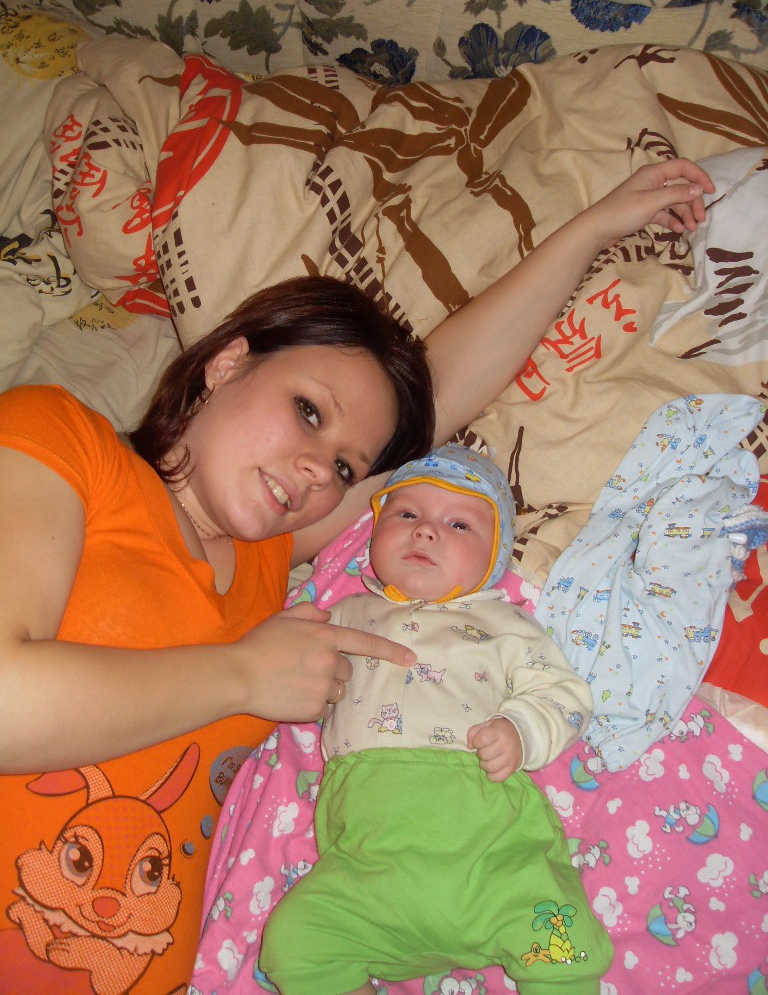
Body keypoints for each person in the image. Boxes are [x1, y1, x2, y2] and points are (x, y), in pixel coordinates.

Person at [0, 158, 712, 995]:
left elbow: (437, 402)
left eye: (345, 467)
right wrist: (242, 675)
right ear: (226, 364)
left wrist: (593, 229)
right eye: (308, 410)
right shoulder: (61, 438)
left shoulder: (268, 566)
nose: (317, 470)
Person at [259, 444, 613, 995]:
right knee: (292, 943)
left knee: (561, 944)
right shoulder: (338, 615)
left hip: (490, 847)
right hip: (370, 868)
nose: (425, 531)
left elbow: (564, 693)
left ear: (495, 555)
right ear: (374, 530)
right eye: (406, 514)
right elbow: (283, 665)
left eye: (458, 524)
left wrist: (520, 729)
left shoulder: (505, 623)